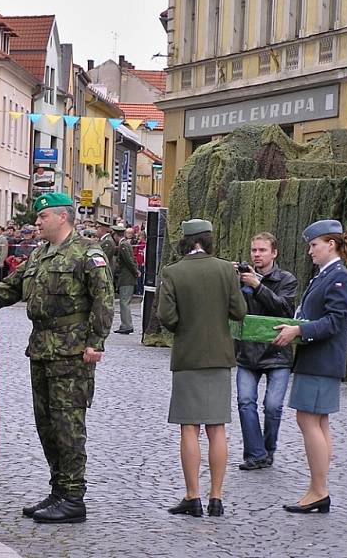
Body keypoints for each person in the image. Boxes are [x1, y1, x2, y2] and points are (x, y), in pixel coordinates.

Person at [0, 192, 113, 524]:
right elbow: (11, 288)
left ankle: (74, 497)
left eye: (42, 217)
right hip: (42, 348)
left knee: (68, 426)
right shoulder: (40, 255)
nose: (36, 222)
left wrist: (96, 343)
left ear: (62, 217)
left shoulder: (87, 253)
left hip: (72, 353)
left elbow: (104, 299)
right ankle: (59, 489)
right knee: (46, 425)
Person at [157, 219, 247, 518]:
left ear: (185, 242)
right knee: (217, 427)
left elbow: (166, 317)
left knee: (189, 428)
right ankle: (217, 498)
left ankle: (193, 496)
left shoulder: (172, 272)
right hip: (220, 356)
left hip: (188, 357)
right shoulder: (225, 270)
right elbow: (239, 311)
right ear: (209, 240)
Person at [273, 219, 347, 515]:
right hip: (319, 359)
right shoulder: (326, 275)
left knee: (309, 422)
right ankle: (317, 488)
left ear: (330, 244)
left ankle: (319, 490)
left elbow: (335, 321)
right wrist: (296, 326)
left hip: (321, 360)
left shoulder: (338, 276)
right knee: (317, 422)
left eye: (314, 245)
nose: (310, 251)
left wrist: (298, 331)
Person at [234, 232, 297, 471]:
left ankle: (268, 450)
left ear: (274, 253)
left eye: (262, 250)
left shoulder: (286, 279)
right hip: (248, 352)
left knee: (272, 406)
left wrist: (257, 286)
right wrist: (233, 281)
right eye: (254, 251)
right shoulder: (243, 278)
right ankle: (255, 454)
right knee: (245, 401)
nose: (257, 255)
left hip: (277, 352)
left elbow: (284, 310)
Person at [113, 225, 140, 334]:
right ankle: (126, 324)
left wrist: (135, 271)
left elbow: (129, 260)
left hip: (126, 277)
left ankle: (126, 325)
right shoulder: (125, 244)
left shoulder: (123, 245)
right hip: (127, 277)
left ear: (116, 235)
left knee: (124, 302)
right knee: (125, 301)